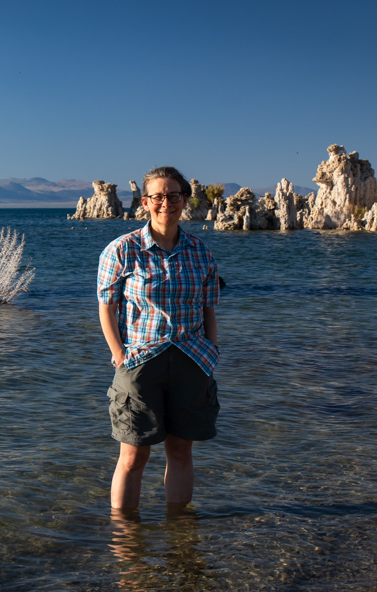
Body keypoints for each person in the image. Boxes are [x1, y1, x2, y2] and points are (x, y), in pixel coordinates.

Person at [97, 166, 220, 513]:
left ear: (184, 199)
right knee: (134, 454)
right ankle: (125, 541)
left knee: (181, 451)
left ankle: (179, 534)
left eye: (174, 195)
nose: (166, 202)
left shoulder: (201, 252)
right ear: (146, 202)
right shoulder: (122, 250)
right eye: (158, 196)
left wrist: (211, 350)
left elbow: (209, 308)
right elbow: (107, 308)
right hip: (140, 361)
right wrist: (119, 354)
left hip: (192, 360)